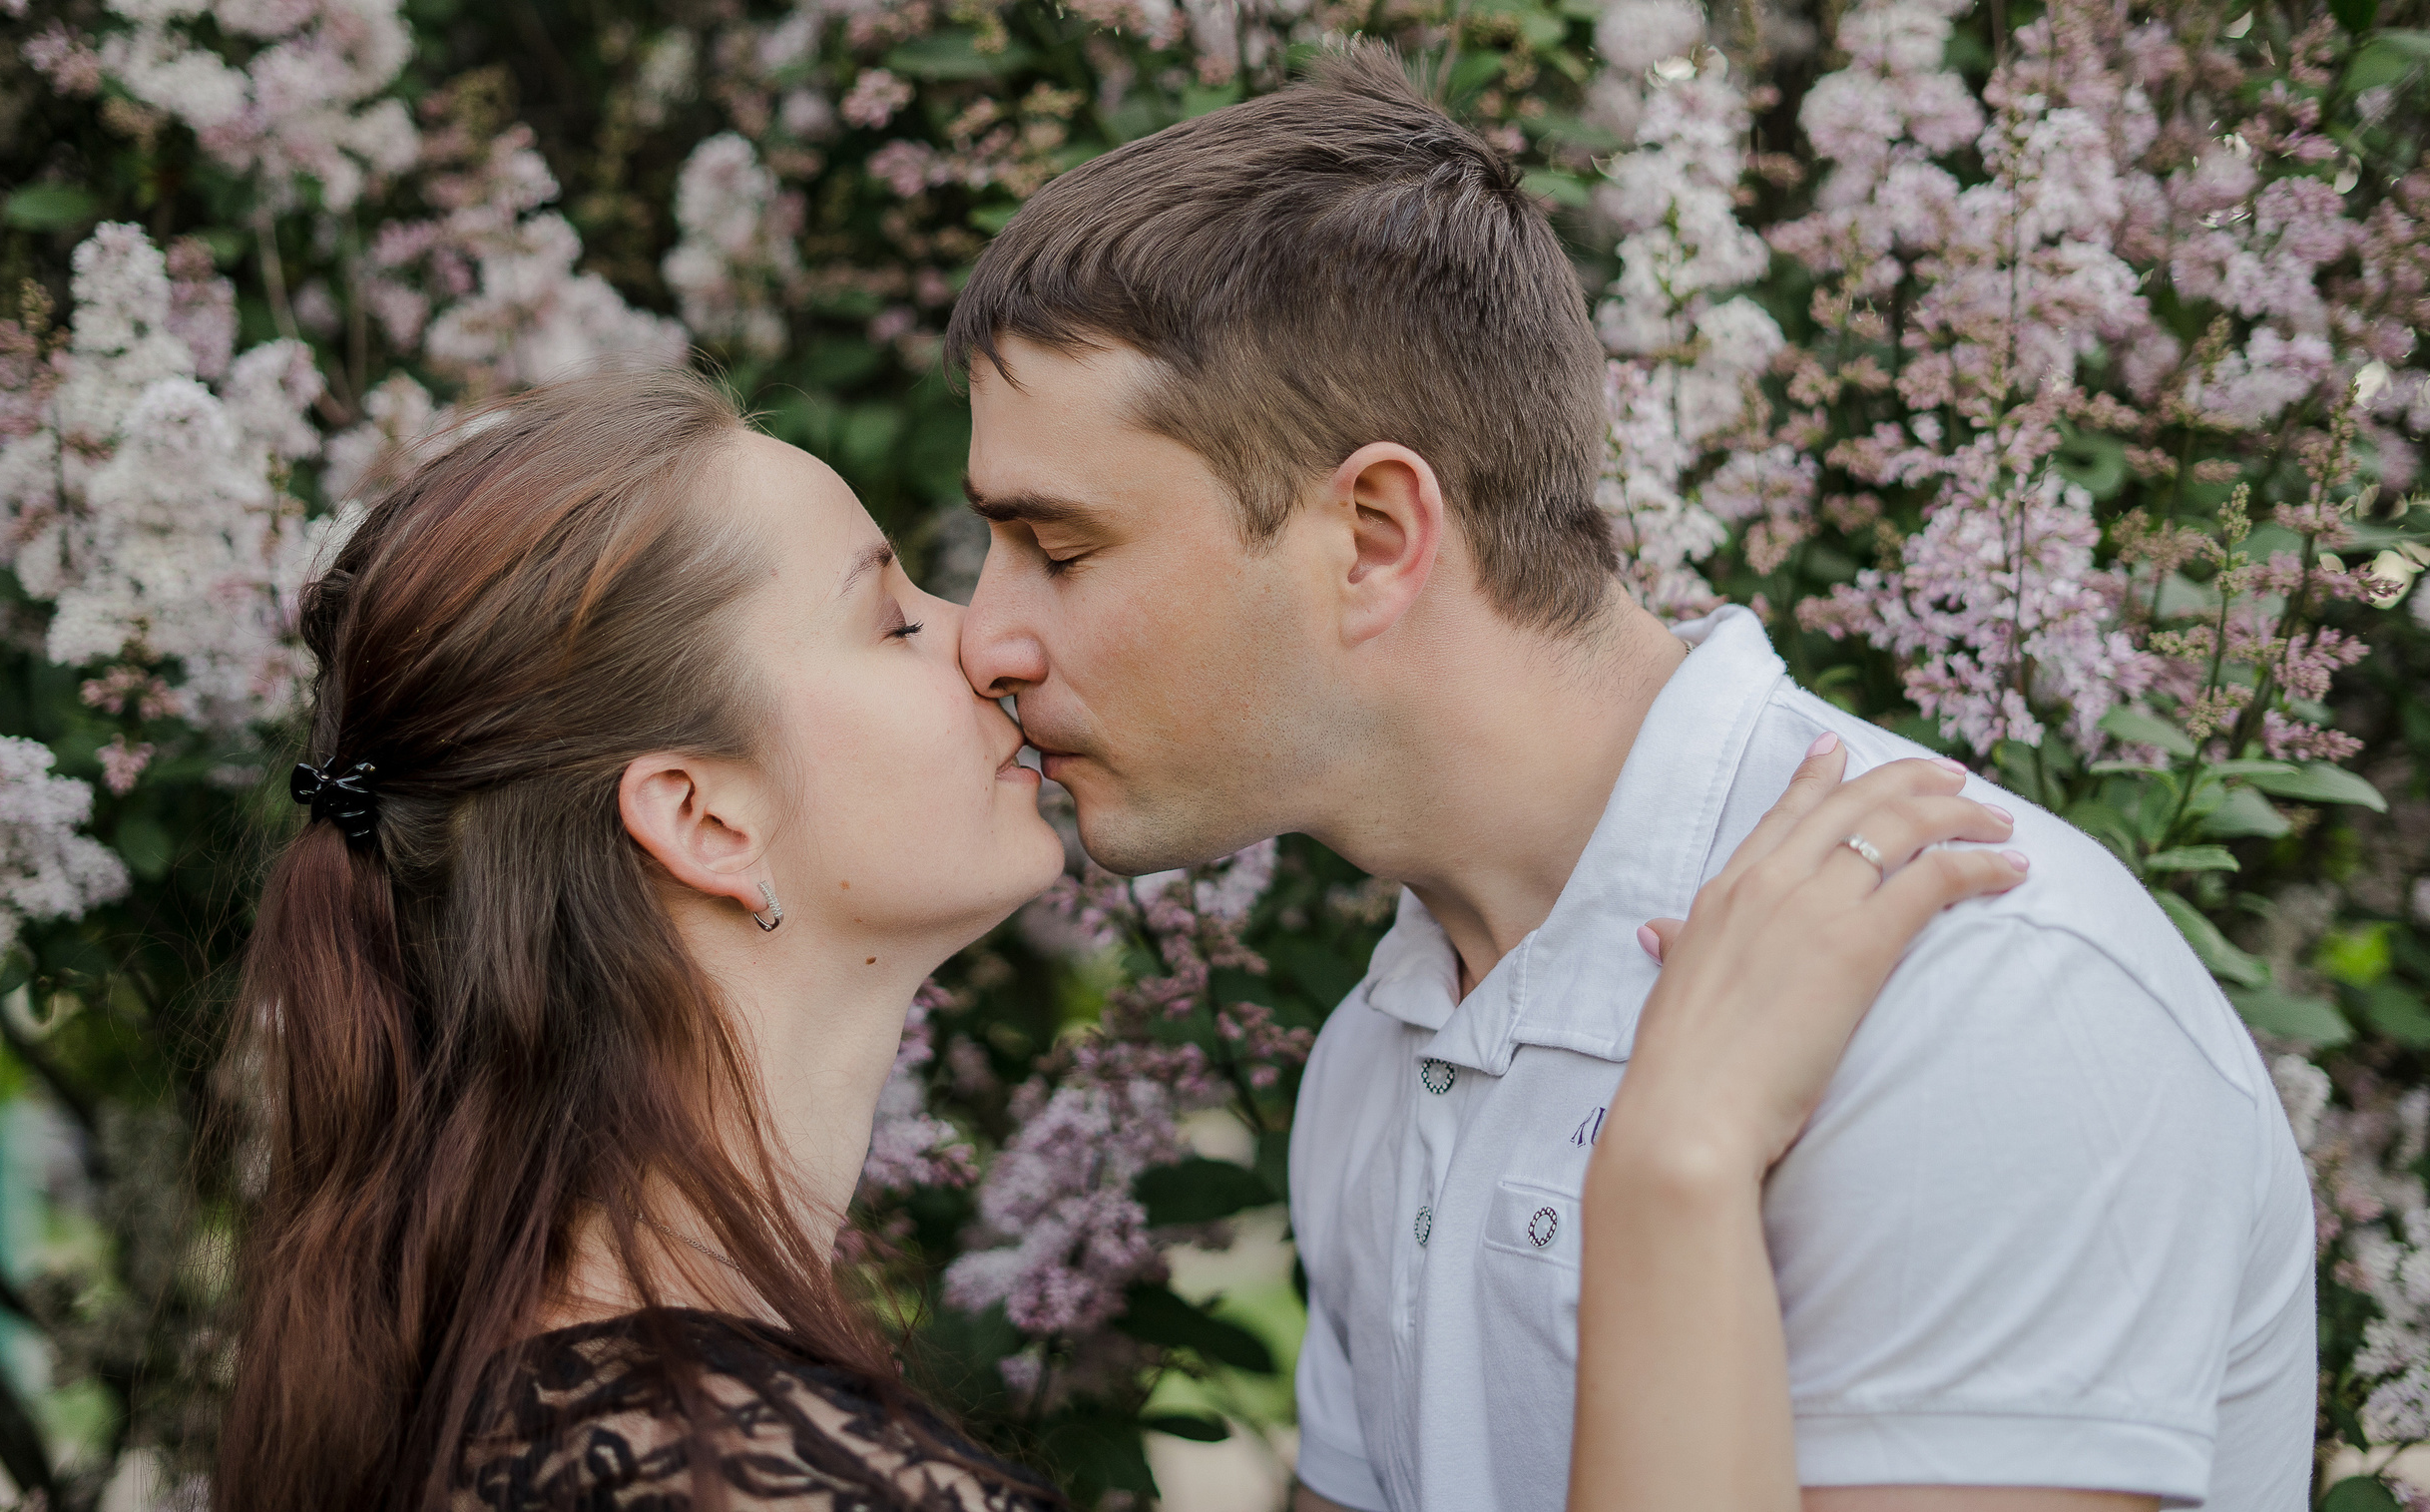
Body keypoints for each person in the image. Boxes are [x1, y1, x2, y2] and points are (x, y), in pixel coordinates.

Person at [214, 369, 2016, 1512]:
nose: (988, 640)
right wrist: (1679, 1161)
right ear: (705, 817)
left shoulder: (557, 1399)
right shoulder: (732, 1481)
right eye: (889, 616)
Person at [948, 41, 2317, 1510]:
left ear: (1375, 537)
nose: (985, 637)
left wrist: (1674, 1167)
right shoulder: (1384, 1047)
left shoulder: (1975, 995)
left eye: (1061, 549)